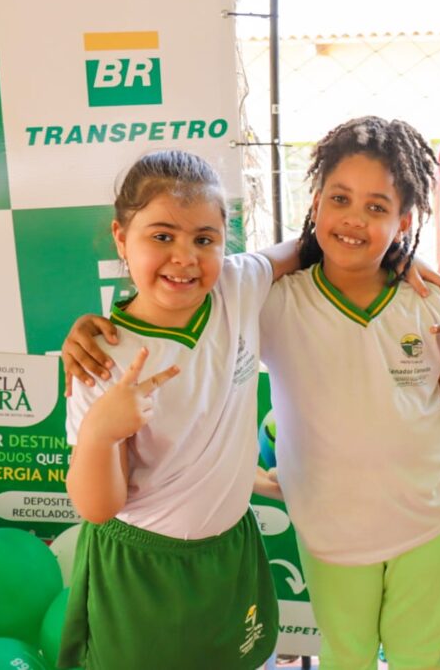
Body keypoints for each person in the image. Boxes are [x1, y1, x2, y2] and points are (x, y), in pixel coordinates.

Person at [259, 116, 440, 669]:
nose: (353, 219)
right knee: (346, 658)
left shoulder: (426, 299)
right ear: (316, 203)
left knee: (419, 657)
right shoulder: (277, 303)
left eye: (376, 207)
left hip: (426, 521)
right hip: (331, 532)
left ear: (404, 221)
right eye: (340, 199)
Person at [60, 149, 290, 669]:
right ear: (121, 237)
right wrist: (100, 434)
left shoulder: (237, 284)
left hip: (231, 555)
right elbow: (97, 508)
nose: (185, 257)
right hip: (144, 568)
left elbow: (308, 248)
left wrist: (402, 258)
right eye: (161, 236)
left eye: (203, 239)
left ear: (225, 238)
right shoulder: (103, 357)